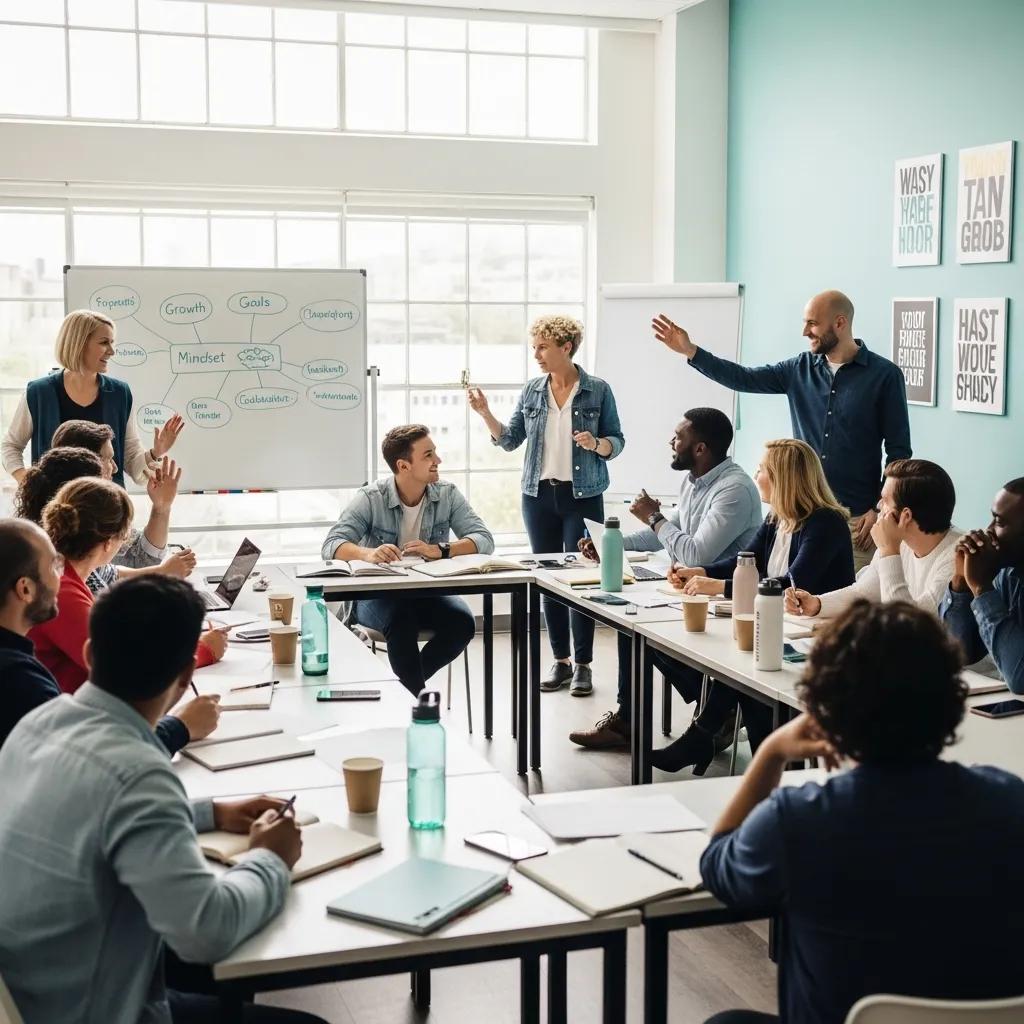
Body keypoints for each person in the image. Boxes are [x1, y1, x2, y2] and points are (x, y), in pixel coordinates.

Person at [0, 575, 326, 1024]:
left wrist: (211, 814)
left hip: (33, 991)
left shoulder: (39, 724)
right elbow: (207, 932)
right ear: (187, 675)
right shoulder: (138, 772)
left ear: (90, 653)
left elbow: (94, 817)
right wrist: (270, 858)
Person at [700, 600, 1024, 1024]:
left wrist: (771, 753)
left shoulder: (797, 821)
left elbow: (717, 865)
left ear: (826, 709)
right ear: (951, 701)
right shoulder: (1009, 801)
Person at [653, 290, 911, 571]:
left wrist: (879, 507)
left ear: (840, 323)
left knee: (847, 595)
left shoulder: (884, 376)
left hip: (857, 521)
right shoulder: (798, 369)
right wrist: (691, 351)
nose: (805, 331)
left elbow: (898, 452)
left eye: (812, 323)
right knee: (791, 591)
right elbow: (744, 378)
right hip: (801, 514)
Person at [651, 438, 853, 773]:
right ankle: (735, 747)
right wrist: (700, 572)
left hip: (817, 638)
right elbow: (746, 561)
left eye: (762, 469)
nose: (756, 475)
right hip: (779, 627)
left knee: (742, 665)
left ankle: (713, 737)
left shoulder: (825, 523)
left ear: (782, 478)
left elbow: (790, 584)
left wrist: (720, 587)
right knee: (727, 660)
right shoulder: (777, 518)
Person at [570, 409, 761, 750]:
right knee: (629, 623)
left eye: (678, 437)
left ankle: (721, 706)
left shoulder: (734, 489)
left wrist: (654, 517)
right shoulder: (693, 481)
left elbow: (695, 554)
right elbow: (668, 533)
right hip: (689, 589)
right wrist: (613, 543)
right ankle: (639, 720)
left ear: (700, 448)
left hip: (723, 595)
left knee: (641, 630)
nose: (671, 442)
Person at [468, 314, 624, 696]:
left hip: (583, 497)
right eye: (534, 347)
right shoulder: (532, 391)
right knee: (550, 580)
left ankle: (584, 664)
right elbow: (510, 440)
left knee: (582, 579)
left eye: (542, 347)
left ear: (566, 347)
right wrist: (485, 413)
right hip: (537, 497)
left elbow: (617, 441)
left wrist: (597, 445)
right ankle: (561, 661)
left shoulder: (598, 390)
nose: (536, 354)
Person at [0, 518, 217, 754]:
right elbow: (97, 756)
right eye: (54, 567)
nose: (61, 576)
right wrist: (181, 726)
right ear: (25, 589)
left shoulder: (16, 663)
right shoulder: (22, 683)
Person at [322, 424, 492, 696]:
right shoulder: (371, 498)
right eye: (428, 455)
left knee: (462, 623)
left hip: (427, 593)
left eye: (435, 452)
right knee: (401, 621)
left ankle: (402, 694)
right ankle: (415, 703)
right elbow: (332, 544)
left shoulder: (447, 494)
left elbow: (484, 539)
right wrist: (368, 554)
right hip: (376, 597)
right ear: (403, 466)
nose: (438, 460)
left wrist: (442, 549)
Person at [27, 478, 225, 695]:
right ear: (108, 543)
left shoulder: (63, 575)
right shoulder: (61, 593)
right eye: (125, 536)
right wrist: (203, 651)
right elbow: (128, 674)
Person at [1, 308, 184, 487]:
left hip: (109, 503)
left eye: (112, 343)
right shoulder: (38, 393)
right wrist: (29, 483)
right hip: (53, 504)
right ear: (78, 343)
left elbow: (131, 461)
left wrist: (156, 452)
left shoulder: (120, 393)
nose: (112, 351)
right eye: (104, 342)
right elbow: (10, 446)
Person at [14, 439, 195, 592]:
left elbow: (111, 574)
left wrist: (162, 508)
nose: (114, 469)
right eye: (107, 461)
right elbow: (140, 561)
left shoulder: (72, 556)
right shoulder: (57, 577)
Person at [787, 459, 959, 620]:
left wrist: (889, 551)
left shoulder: (957, 558)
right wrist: (817, 604)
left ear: (905, 516)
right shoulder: (901, 541)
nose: (878, 506)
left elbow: (905, 623)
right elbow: (863, 593)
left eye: (885, 500)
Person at [940, 478, 1024, 694]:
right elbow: (960, 653)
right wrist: (961, 582)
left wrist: (982, 588)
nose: (988, 529)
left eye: (1000, 522)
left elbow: (1020, 679)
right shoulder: (1009, 574)